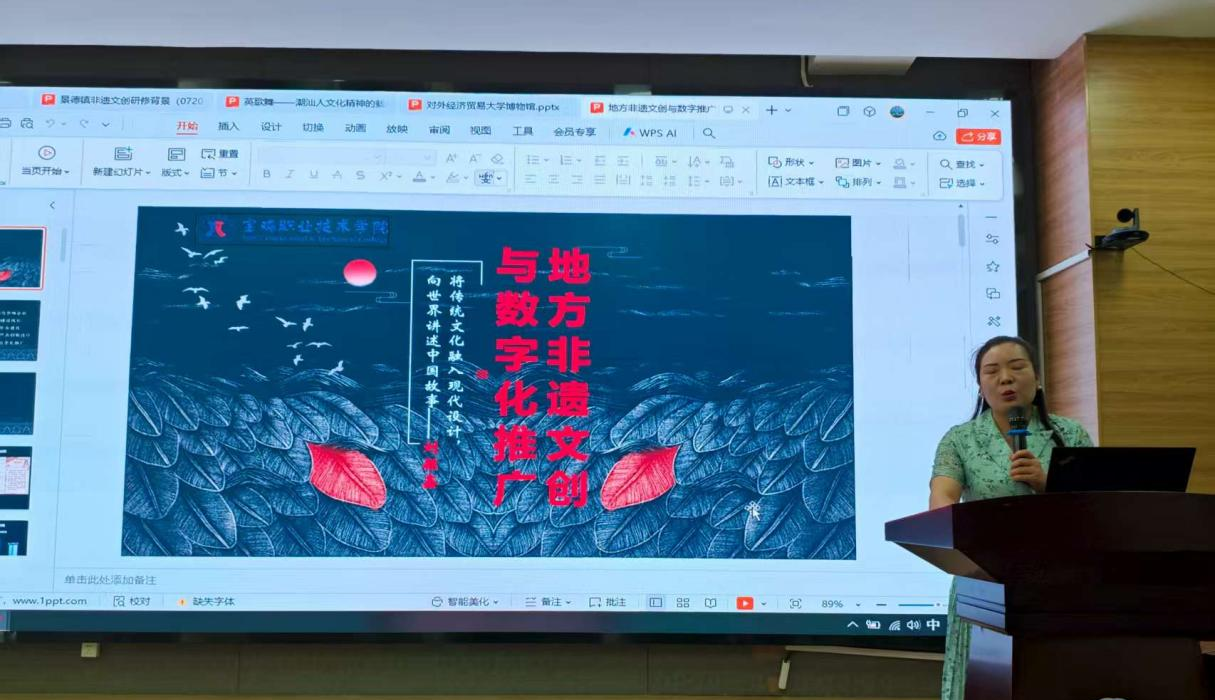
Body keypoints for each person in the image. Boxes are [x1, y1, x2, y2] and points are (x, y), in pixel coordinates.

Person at [929, 336, 1093, 700]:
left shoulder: (1069, 433)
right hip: (985, 580)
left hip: (1058, 582)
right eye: (992, 371)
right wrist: (946, 520)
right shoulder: (960, 439)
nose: (1006, 378)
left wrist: (1046, 483)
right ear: (980, 387)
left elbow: (1093, 506)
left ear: (1037, 379)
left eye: (1017, 367)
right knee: (987, 684)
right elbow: (942, 495)